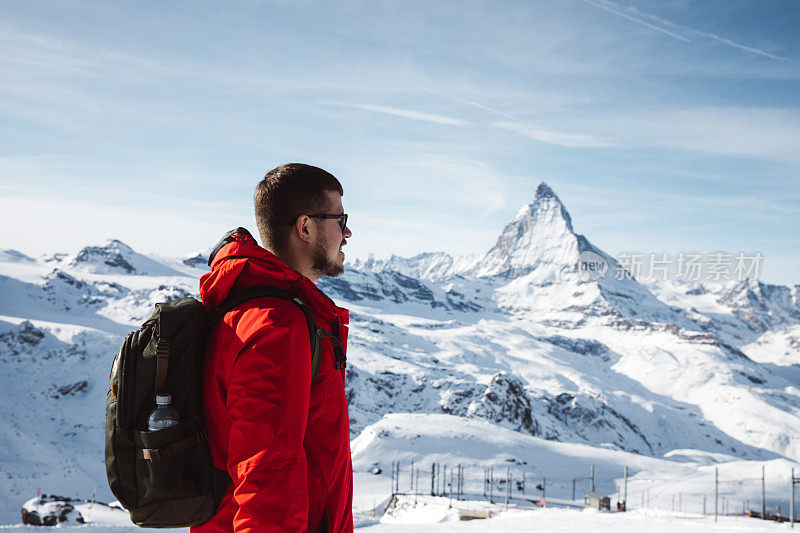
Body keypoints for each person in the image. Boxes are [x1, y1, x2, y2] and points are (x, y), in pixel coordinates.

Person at [192, 163, 353, 533]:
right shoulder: (277, 325)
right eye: (339, 219)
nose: (347, 232)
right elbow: (267, 473)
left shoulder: (249, 308)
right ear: (306, 227)